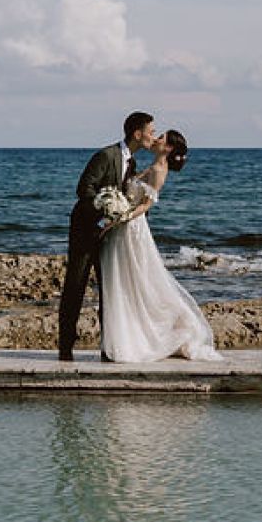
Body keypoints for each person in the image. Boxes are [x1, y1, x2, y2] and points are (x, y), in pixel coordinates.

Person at [97, 128, 222, 363]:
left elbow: (145, 206)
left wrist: (121, 217)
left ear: (169, 148)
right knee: (129, 281)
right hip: (125, 226)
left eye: (161, 138)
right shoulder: (152, 166)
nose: (156, 139)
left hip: (132, 228)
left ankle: (155, 333)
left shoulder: (157, 170)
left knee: (135, 281)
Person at [58, 111, 158, 361]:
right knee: (75, 287)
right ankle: (65, 348)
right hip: (85, 231)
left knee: (110, 291)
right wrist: (105, 207)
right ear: (137, 134)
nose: (153, 136)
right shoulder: (106, 155)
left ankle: (109, 348)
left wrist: (123, 215)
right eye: (151, 131)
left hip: (112, 236)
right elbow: (84, 188)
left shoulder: (132, 162)